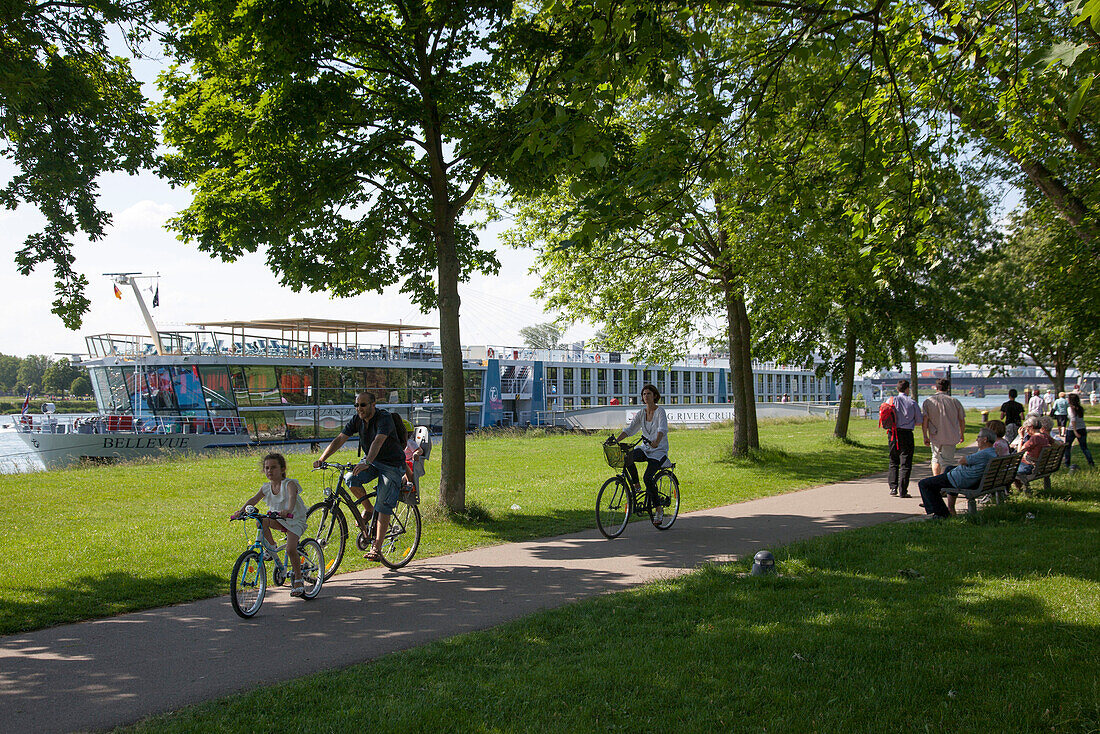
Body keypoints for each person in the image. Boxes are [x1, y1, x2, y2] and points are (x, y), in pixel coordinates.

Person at [313, 391, 407, 561]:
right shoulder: (357, 420)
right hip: (372, 461)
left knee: (383, 503)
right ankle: (368, 508)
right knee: (351, 478)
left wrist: (367, 461)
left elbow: (378, 440)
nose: (359, 408)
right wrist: (321, 459)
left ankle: (377, 548)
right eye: (356, 405)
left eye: (362, 405)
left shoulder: (383, 418)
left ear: (373, 404)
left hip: (392, 464)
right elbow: (340, 439)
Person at [232, 453, 309, 596]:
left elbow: (292, 497)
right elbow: (253, 499)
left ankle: (298, 579)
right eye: (266, 468)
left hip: (294, 519)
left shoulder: (289, 484)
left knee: (290, 549)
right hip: (277, 518)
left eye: (273, 467)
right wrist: (241, 511)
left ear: (282, 469)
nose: (269, 471)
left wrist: (288, 510)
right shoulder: (266, 488)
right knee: (260, 521)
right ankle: (271, 547)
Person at [611, 384, 670, 526]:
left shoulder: (660, 411)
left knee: (648, 478)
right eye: (644, 394)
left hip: (658, 450)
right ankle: (636, 486)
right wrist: (615, 440)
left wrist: (656, 441)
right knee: (628, 457)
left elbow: (662, 429)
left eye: (649, 394)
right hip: (645, 448)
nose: (646, 396)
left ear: (655, 396)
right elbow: (630, 429)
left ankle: (658, 509)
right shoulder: (641, 413)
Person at [917, 427, 999, 518]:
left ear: (985, 439)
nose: (976, 439)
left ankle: (940, 513)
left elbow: (962, 461)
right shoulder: (992, 452)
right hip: (971, 479)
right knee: (948, 468)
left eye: (978, 437)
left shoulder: (983, 453)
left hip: (962, 480)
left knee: (924, 484)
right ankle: (945, 505)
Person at [922, 378, 966, 476]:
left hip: (935, 435)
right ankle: (943, 483)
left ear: (936, 388)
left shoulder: (928, 401)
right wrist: (961, 434)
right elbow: (962, 420)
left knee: (935, 458)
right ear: (948, 388)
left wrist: (925, 435)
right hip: (951, 435)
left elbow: (925, 420)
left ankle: (935, 480)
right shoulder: (954, 401)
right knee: (948, 461)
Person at [886, 379, 920, 498]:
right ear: (907, 389)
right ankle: (903, 490)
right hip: (907, 434)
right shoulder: (912, 402)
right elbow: (919, 421)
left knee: (893, 460)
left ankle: (893, 488)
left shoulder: (891, 400)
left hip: (893, 433)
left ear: (897, 389)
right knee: (906, 462)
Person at [1014, 416, 1053, 487]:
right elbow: (1057, 443)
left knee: (1012, 470)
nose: (1026, 431)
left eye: (1026, 429)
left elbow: (1019, 452)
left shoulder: (1034, 438)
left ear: (1031, 427)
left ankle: (1023, 490)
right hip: (1043, 465)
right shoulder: (1045, 436)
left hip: (1032, 467)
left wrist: (1021, 437)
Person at [1063, 393, 1095, 468]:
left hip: (1072, 429)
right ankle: (1091, 462)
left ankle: (1067, 463)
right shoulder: (1080, 408)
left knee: (1067, 446)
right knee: (1084, 447)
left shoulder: (1070, 409)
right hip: (1082, 428)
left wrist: (1075, 431)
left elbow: (1073, 419)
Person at [405, 425, 432, 492]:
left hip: (408, 462)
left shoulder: (409, 443)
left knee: (404, 464)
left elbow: (420, 450)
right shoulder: (397, 443)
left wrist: (416, 453)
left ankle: (410, 484)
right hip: (398, 462)